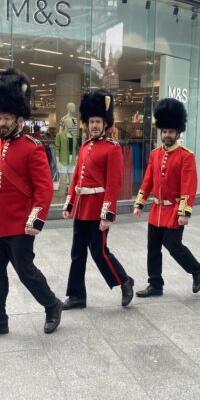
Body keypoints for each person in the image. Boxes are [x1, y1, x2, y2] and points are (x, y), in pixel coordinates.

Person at [0, 69, 63, 338]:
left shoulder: (33, 147)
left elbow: (43, 188)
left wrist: (35, 219)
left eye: (6, 117)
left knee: (26, 272)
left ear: (19, 119)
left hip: (20, 225)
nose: (1, 122)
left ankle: (52, 304)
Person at [61, 89, 135, 310]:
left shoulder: (113, 148)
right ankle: (77, 296)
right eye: (91, 121)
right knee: (77, 253)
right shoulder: (84, 147)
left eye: (98, 121)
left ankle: (124, 281)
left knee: (99, 252)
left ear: (105, 124)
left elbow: (114, 184)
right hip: (82, 207)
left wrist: (107, 214)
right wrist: (70, 203)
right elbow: (76, 178)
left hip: (98, 209)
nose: (94, 125)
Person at [133, 98, 200, 297]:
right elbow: (147, 180)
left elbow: (188, 187)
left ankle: (196, 270)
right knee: (153, 248)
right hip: (157, 209)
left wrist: (184, 212)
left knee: (173, 245)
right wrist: (140, 203)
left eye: (171, 132)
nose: (167, 135)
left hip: (174, 209)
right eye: (164, 131)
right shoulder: (155, 154)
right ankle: (155, 284)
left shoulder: (186, 156)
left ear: (178, 133)